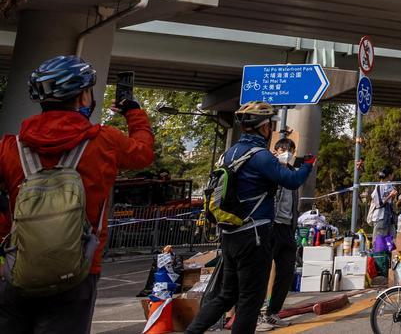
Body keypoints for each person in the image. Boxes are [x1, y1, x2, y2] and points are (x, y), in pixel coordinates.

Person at [0, 55, 155, 333]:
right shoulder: (105, 141)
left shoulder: (10, 147)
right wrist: (134, 113)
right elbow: (142, 153)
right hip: (78, 270)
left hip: (17, 269)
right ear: (83, 97)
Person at [186, 102, 314, 334]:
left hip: (230, 234)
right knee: (249, 300)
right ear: (264, 127)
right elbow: (292, 181)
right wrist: (307, 166)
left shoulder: (229, 153)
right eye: (270, 125)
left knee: (226, 295)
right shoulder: (260, 156)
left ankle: (191, 332)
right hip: (254, 236)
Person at [260, 135, 302, 330]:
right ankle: (258, 313)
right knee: (262, 271)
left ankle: (272, 312)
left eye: (291, 151)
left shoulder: (294, 174)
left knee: (286, 270)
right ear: (275, 152)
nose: (288, 154)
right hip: (270, 226)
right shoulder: (269, 172)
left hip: (286, 228)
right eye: (284, 150)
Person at [371, 166, 398, 253]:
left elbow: (391, 200)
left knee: (390, 240)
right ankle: (379, 261)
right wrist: (390, 195)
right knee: (379, 242)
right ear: (389, 175)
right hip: (381, 218)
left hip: (389, 216)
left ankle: (388, 261)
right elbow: (379, 203)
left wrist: (393, 196)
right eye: (392, 174)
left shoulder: (390, 184)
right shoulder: (379, 186)